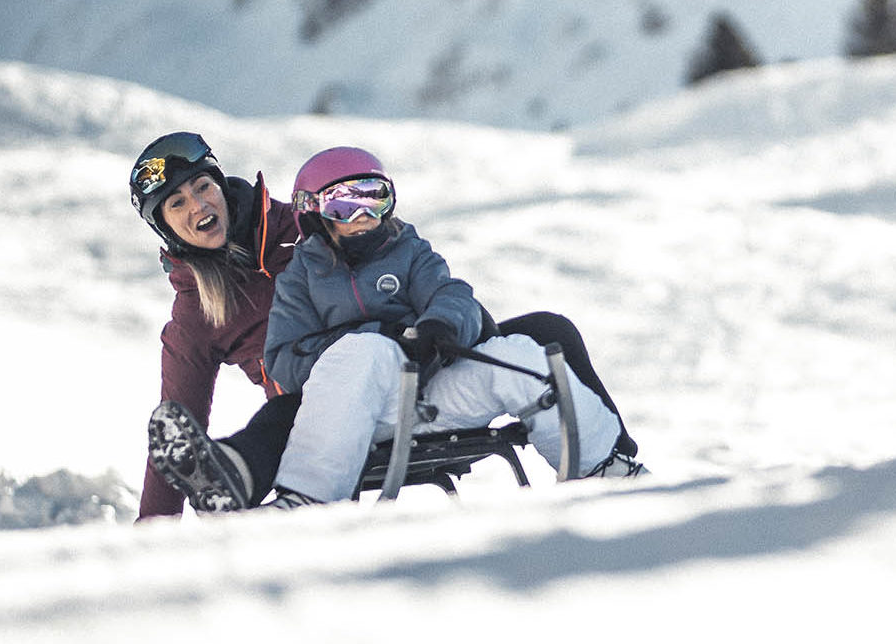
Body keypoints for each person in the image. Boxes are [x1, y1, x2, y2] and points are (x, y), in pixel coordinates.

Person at [259, 146, 644, 508]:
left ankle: (602, 467)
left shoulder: (408, 251)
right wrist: (372, 342)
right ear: (311, 212)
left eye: (374, 197)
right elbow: (282, 359)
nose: (361, 213)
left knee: (517, 354)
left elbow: (451, 293)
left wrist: (439, 327)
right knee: (365, 349)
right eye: (342, 203)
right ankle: (308, 498)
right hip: (364, 412)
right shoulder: (300, 279)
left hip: (434, 399)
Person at [129, 131, 302, 520]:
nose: (199, 204)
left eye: (203, 186)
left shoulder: (297, 228)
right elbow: (176, 433)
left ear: (221, 187)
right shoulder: (197, 312)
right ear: (166, 227)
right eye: (177, 202)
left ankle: (234, 471)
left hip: (381, 368)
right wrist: (151, 533)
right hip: (305, 416)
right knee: (290, 413)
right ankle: (229, 476)